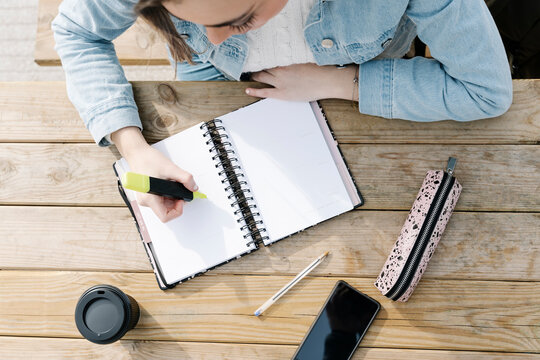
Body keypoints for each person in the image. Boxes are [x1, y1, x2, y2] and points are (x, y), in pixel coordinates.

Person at [52, 0, 512, 222]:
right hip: (210, 79)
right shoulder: (210, 44)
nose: (215, 39)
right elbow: (75, 32)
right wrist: (132, 148)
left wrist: (340, 81)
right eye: (189, 18)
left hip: (358, 76)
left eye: (240, 21)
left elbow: (486, 91)